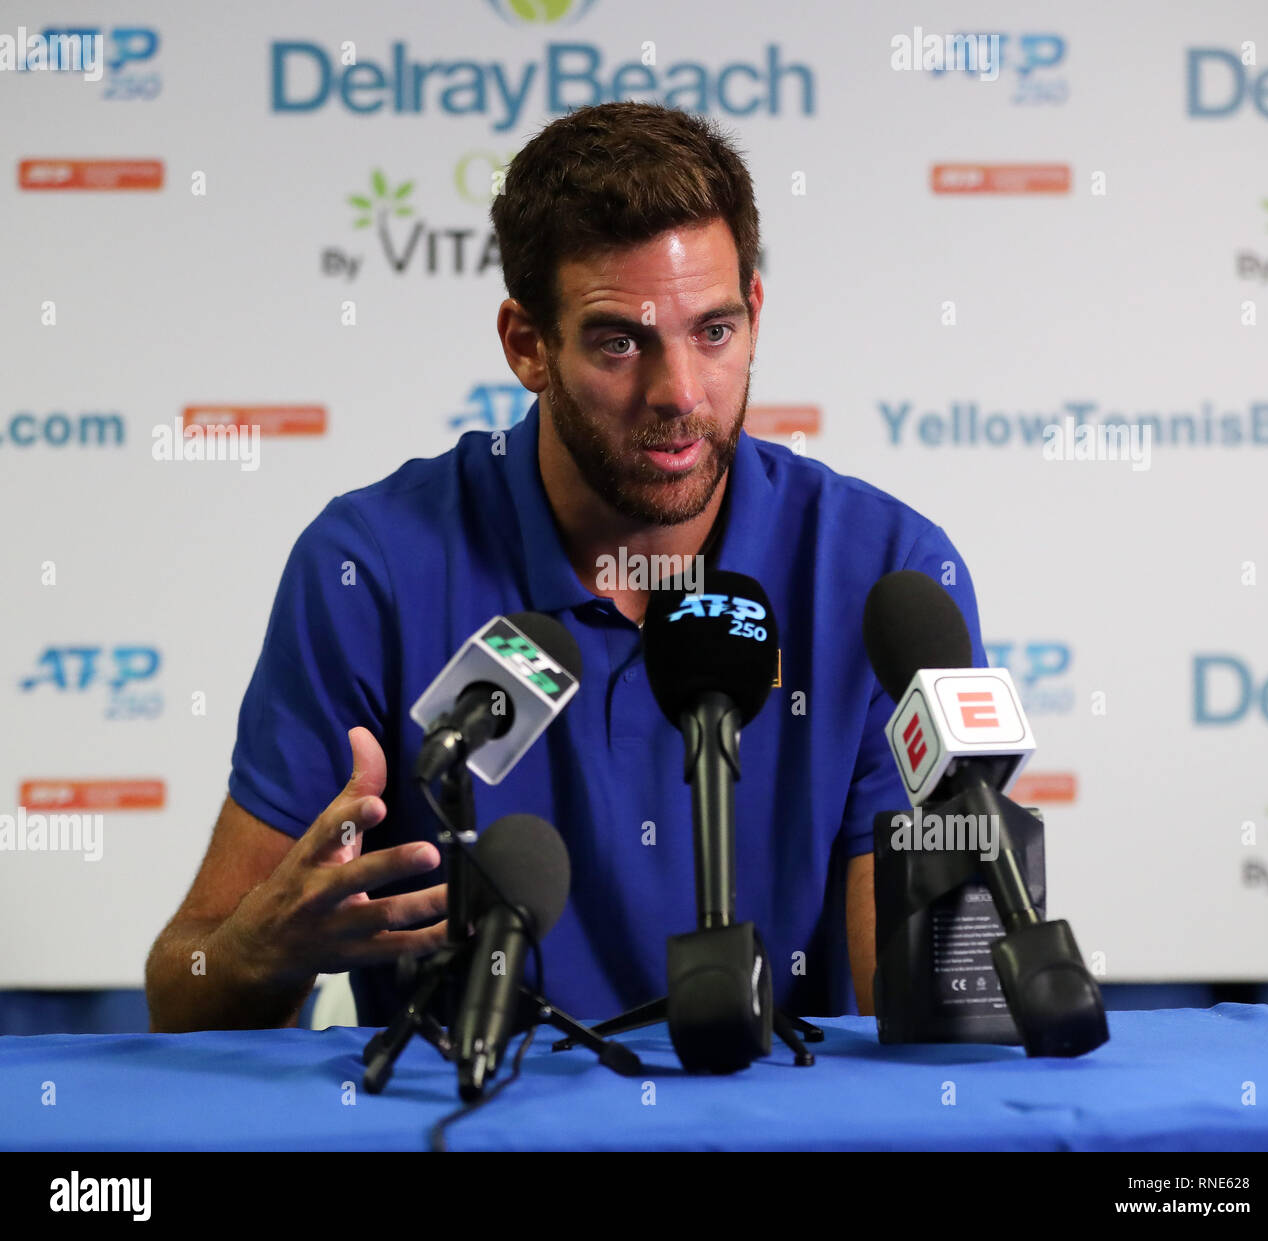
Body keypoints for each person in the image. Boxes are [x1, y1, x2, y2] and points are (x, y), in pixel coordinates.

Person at [145, 101, 985, 1033]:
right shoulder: (370, 570)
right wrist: (263, 954)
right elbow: (182, 988)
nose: (678, 395)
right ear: (526, 345)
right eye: (620, 341)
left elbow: (925, 1027)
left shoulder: (882, 575)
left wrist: (972, 931)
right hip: (463, 1128)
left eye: (713, 332)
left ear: (754, 312)